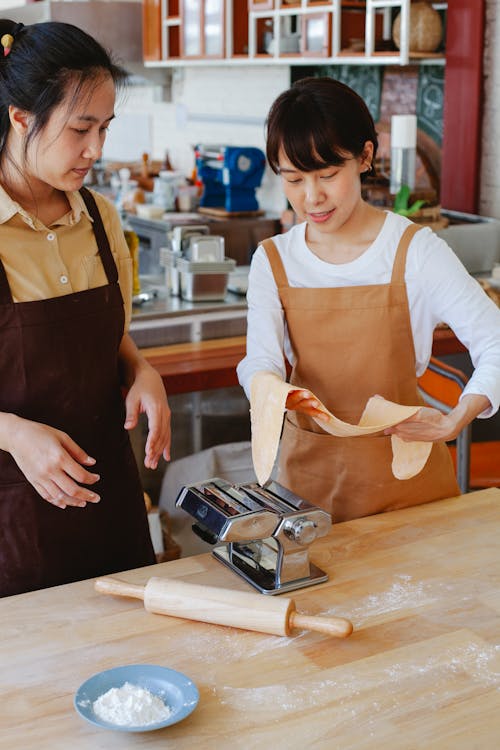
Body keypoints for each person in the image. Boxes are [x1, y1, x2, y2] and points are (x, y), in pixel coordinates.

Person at [237, 77, 500, 522]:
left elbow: (495, 342)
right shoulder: (273, 260)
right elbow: (258, 362)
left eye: (327, 175)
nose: (312, 197)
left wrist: (457, 417)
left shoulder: (414, 249)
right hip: (309, 487)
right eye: (294, 179)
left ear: (364, 157)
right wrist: (273, 390)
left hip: (406, 485)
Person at [0, 19, 171, 597]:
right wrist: (15, 434)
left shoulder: (100, 216)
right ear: (20, 118)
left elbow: (110, 337)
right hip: (13, 522)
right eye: (80, 129)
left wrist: (140, 369)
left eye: (104, 128)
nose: (96, 150)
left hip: (110, 504)